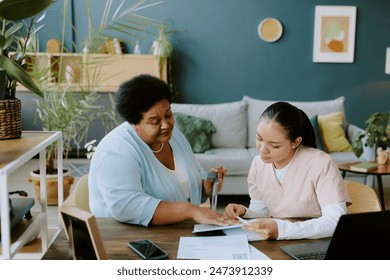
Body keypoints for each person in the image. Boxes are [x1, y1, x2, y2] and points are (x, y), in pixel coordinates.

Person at [89, 74, 233, 227]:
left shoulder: (174, 135)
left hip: (173, 231)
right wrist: (191, 211)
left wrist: (205, 188)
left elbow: (189, 180)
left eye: (168, 115)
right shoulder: (116, 150)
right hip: (124, 237)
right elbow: (127, 207)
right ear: (134, 124)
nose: (166, 125)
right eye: (154, 121)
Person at [225, 101, 351, 240]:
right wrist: (244, 212)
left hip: (320, 243)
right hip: (279, 242)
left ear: (295, 142)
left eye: (274, 145)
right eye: (259, 138)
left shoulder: (321, 163)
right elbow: (263, 210)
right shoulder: (258, 164)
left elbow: (335, 221)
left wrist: (282, 230)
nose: (262, 149)